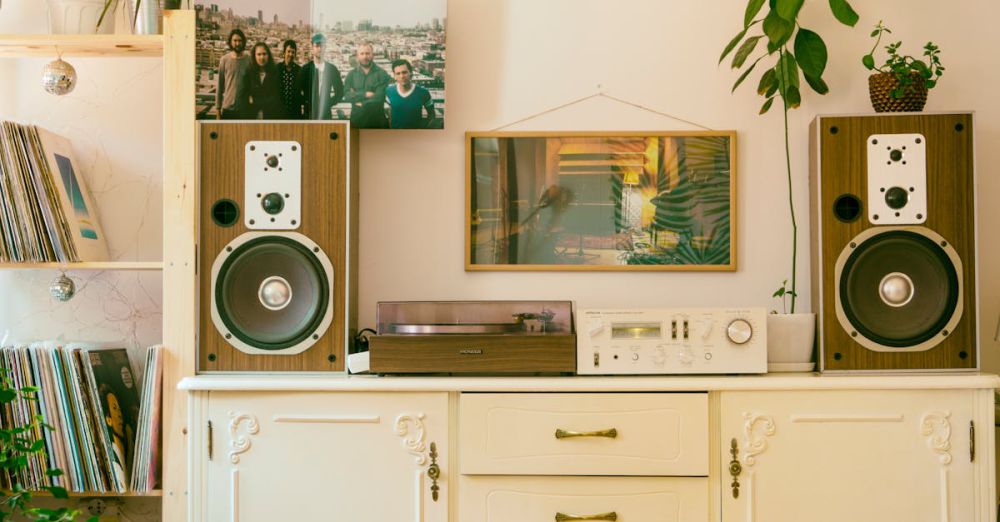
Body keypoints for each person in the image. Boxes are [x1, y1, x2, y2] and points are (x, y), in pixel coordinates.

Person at [343, 42, 391, 128]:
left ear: (373, 55)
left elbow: (379, 98)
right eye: (362, 54)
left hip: (377, 122)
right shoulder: (351, 75)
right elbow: (347, 96)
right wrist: (365, 94)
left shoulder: (382, 74)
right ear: (357, 56)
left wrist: (360, 102)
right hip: (357, 121)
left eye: (367, 53)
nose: (365, 57)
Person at [297, 33, 343, 120]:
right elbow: (297, 91)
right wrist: (307, 102)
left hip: (325, 114)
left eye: (322, 46)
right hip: (308, 114)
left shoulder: (332, 69)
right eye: (317, 46)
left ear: (325, 48)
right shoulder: (305, 69)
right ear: (312, 48)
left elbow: (340, 92)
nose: (320, 49)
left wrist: (328, 102)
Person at [386, 59, 436, 129]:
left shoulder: (423, 92)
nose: (402, 76)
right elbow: (389, 112)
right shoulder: (389, 91)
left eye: (404, 72)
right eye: (398, 73)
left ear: (411, 73)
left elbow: (432, 115)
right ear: (394, 76)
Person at [238, 42, 283, 119]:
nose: (262, 57)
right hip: (251, 117)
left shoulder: (275, 73)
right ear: (254, 56)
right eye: (259, 54)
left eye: (264, 54)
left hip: (270, 117)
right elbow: (244, 97)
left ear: (268, 55)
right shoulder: (249, 73)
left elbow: (276, 99)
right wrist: (266, 100)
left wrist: (255, 101)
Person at [215, 28, 250, 119]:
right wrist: (218, 109)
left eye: (239, 41)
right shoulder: (224, 60)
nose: (237, 43)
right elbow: (220, 86)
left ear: (243, 42)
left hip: (244, 110)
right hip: (227, 109)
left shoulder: (249, 60)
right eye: (235, 40)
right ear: (230, 42)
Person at [277, 39, 303, 119]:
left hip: (295, 114)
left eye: (293, 52)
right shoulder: (277, 69)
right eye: (288, 51)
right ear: (284, 53)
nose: (290, 54)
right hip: (279, 114)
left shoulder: (300, 71)